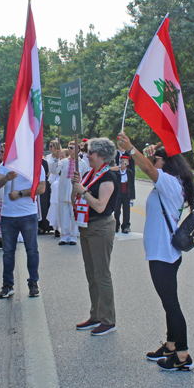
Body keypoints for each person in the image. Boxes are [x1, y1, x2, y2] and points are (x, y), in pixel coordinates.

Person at [118, 132, 194, 372]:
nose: (153, 164)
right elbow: (150, 167)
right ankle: (171, 345)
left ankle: (183, 356)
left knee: (171, 304)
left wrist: (131, 149)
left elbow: (148, 169)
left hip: (163, 254)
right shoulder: (171, 181)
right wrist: (152, 152)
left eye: (157, 161)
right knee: (168, 302)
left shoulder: (170, 182)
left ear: (166, 163)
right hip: (163, 252)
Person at [71, 138, 119, 336]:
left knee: (102, 274)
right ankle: (96, 315)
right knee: (91, 274)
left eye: (91, 152)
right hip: (87, 226)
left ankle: (108, 320)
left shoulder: (107, 177)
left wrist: (82, 191)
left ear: (101, 155)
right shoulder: (91, 173)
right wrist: (78, 183)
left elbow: (100, 205)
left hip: (100, 227)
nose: (87, 155)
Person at [0, 159, 46, 299]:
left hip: (28, 214)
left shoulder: (35, 164)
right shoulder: (5, 165)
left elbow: (41, 188)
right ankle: (7, 285)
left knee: (32, 251)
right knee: (8, 252)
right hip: (8, 216)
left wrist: (20, 193)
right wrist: (6, 178)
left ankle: (33, 283)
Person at [55, 141, 89, 245]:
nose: (69, 149)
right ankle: (64, 236)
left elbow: (86, 178)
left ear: (78, 150)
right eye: (69, 148)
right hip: (63, 191)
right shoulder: (63, 161)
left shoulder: (82, 163)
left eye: (72, 148)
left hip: (75, 193)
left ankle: (73, 236)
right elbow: (54, 171)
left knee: (74, 215)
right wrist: (56, 158)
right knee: (63, 215)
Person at [113, 155, 135, 234]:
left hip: (126, 194)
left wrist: (132, 196)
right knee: (117, 210)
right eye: (121, 162)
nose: (123, 163)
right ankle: (116, 225)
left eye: (125, 162)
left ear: (128, 163)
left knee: (126, 210)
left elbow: (132, 184)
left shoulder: (129, 172)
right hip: (118, 194)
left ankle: (125, 226)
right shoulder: (116, 171)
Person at [46, 140, 62, 237]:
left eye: (52, 146)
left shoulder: (61, 156)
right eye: (49, 146)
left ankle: (61, 226)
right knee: (53, 204)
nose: (50, 148)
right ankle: (55, 226)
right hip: (51, 181)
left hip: (60, 180)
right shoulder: (48, 157)